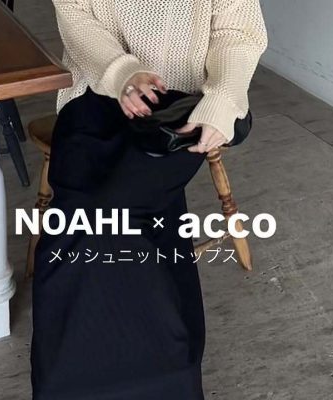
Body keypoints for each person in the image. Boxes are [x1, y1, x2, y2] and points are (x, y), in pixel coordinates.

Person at [31, 1, 268, 399]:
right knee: (80, 221)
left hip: (178, 110)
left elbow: (238, 31)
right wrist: (123, 73)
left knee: (106, 220)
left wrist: (224, 97)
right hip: (95, 96)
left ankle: (158, 380)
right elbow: (74, 14)